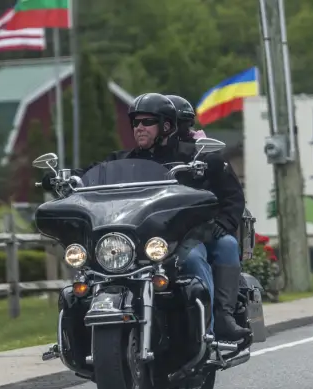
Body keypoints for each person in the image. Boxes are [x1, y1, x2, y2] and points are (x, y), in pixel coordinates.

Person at [68, 92, 250, 342]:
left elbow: (232, 196)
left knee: (202, 256)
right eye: (135, 123)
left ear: (166, 126)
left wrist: (223, 222)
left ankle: (216, 323)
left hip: (187, 236)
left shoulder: (195, 156)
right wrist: (67, 178)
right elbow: (91, 173)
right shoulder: (124, 161)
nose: (139, 128)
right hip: (141, 238)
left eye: (146, 122)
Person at [163, 94, 251, 342]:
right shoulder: (147, 156)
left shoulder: (206, 154)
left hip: (202, 231)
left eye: (178, 123)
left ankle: (221, 318)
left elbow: (233, 196)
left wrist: (224, 223)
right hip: (162, 234)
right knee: (191, 256)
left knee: (226, 245)